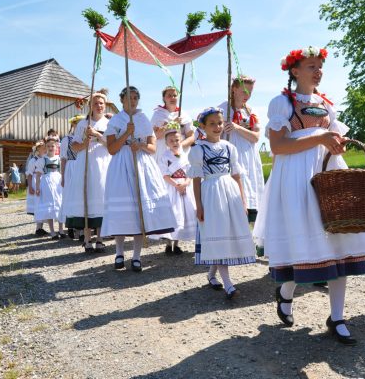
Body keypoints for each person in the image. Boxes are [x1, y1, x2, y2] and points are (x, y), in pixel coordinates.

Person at [254, 47, 365, 345]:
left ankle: (337, 317)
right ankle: (285, 292)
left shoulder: (326, 104)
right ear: (295, 71)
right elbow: (278, 147)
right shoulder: (281, 103)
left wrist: (336, 144)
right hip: (295, 177)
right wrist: (319, 138)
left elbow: (331, 138)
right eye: (311, 66)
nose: (318, 71)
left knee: (338, 240)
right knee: (304, 241)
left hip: (327, 173)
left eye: (320, 66)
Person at [102, 86, 177, 272]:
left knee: (139, 211)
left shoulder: (143, 119)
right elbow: (111, 149)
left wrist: (141, 144)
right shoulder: (116, 120)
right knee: (122, 210)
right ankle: (119, 253)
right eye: (129, 97)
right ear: (122, 100)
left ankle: (136, 256)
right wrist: (127, 134)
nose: (133, 100)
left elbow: (152, 148)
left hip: (142, 165)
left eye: (136, 97)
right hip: (121, 165)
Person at [188, 107, 255, 299]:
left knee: (225, 233)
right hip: (211, 192)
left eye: (219, 123)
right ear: (203, 126)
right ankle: (228, 284)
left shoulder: (229, 147)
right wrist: (199, 205)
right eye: (212, 124)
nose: (217, 127)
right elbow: (196, 179)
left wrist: (242, 201)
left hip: (230, 192)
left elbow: (237, 175)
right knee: (217, 231)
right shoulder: (198, 150)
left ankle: (211, 275)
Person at [66, 93, 111, 252]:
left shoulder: (109, 124)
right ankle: (87, 239)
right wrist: (85, 141)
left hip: (103, 164)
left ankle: (100, 238)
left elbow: (112, 145)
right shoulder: (83, 124)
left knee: (100, 198)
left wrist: (98, 135)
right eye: (96, 103)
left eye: (101, 103)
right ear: (90, 105)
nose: (99, 106)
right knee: (86, 197)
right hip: (85, 163)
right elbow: (74, 147)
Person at [218, 75, 264, 224]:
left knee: (249, 186)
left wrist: (237, 127)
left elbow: (256, 137)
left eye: (250, 92)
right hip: (231, 153)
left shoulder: (250, 112)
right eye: (244, 91)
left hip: (248, 154)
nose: (247, 95)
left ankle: (250, 230)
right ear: (234, 89)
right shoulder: (222, 109)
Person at [158, 127, 197, 255]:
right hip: (172, 187)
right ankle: (168, 243)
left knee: (183, 213)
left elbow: (190, 172)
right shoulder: (165, 157)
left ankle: (177, 243)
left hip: (184, 187)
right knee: (173, 213)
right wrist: (176, 185)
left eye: (177, 140)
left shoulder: (186, 156)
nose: (175, 143)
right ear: (166, 143)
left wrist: (185, 183)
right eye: (171, 141)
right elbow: (164, 175)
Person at [151, 86, 195, 164]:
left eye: (175, 95)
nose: (172, 98)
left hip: (181, 154)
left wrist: (179, 145)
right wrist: (172, 124)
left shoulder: (184, 115)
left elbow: (191, 137)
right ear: (164, 98)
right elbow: (156, 135)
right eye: (169, 95)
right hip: (162, 153)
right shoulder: (158, 114)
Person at [35, 137, 65, 239]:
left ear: (56, 147)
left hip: (58, 182)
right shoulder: (43, 160)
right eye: (48, 146)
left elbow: (62, 171)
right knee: (50, 206)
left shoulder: (59, 159)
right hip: (47, 182)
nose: (51, 148)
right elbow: (38, 175)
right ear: (46, 147)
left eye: (52, 146)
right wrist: (37, 187)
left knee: (60, 204)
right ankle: (52, 231)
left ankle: (61, 229)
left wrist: (63, 181)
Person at [60, 114, 84, 240]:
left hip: (82, 166)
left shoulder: (84, 138)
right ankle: (72, 225)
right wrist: (63, 176)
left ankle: (82, 229)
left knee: (81, 195)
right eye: (77, 122)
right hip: (71, 167)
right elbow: (63, 159)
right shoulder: (66, 140)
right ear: (73, 125)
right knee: (70, 195)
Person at [26, 141, 47, 236]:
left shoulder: (45, 159)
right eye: (43, 148)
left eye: (45, 148)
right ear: (38, 149)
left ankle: (40, 228)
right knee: (38, 205)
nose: (45, 149)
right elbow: (29, 174)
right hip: (35, 182)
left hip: (43, 182)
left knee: (42, 204)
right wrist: (30, 186)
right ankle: (38, 228)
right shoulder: (33, 160)